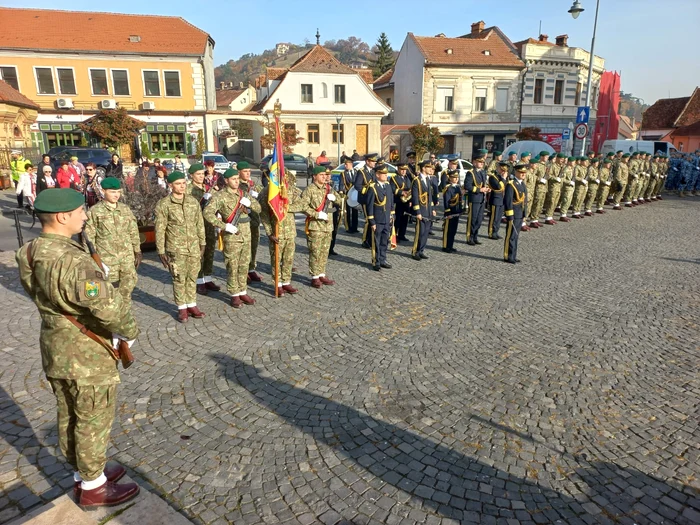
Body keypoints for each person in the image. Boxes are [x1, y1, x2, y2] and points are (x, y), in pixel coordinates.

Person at [16, 188, 140, 508]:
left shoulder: (29, 252)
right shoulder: (73, 260)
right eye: (80, 212)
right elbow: (107, 307)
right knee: (93, 416)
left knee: (69, 411)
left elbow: (45, 297)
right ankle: (93, 486)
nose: (85, 216)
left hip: (54, 345)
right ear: (62, 217)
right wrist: (129, 331)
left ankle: (83, 471)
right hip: (86, 352)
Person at [203, 168, 261, 308]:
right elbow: (207, 213)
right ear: (227, 181)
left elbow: (258, 208)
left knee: (244, 264)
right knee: (232, 265)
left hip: (246, 234)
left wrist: (250, 204)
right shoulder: (220, 196)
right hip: (232, 234)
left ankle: (243, 291)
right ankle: (234, 294)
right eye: (233, 179)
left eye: (237, 178)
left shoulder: (243, 194)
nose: (236, 181)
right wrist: (223, 226)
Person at [155, 171, 206, 323]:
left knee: (192, 277)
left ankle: (192, 305)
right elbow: (160, 228)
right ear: (170, 185)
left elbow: (199, 223)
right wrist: (161, 250)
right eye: (178, 184)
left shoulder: (192, 201)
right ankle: (182, 308)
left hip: (193, 247)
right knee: (179, 278)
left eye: (183, 183)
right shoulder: (164, 204)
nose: (182, 186)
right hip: (176, 248)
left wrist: (202, 243)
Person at [84, 178, 142, 302]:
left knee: (128, 286)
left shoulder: (125, 209)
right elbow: (89, 239)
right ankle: (113, 317)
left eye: (118, 192)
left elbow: (133, 231)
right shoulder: (95, 211)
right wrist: (91, 260)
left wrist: (137, 250)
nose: (116, 195)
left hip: (126, 257)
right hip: (107, 259)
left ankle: (125, 313)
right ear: (103, 191)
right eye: (112, 192)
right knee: (109, 291)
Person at [259, 170, 305, 296]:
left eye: (284, 176)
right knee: (276, 258)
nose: (282, 178)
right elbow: (263, 213)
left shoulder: (291, 189)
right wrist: (269, 232)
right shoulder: (268, 191)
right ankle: (277, 284)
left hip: (290, 231)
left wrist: (286, 208)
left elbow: (303, 203)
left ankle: (286, 282)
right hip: (276, 231)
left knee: (288, 259)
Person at [300, 166, 341, 287]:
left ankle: (322, 274)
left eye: (325, 175)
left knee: (324, 252)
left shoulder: (328, 188)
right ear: (315, 176)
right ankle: (314, 276)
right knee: (315, 252)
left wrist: (335, 198)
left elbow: (339, 200)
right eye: (322, 175)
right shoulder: (309, 190)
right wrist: (316, 214)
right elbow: (303, 207)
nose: (325, 177)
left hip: (328, 226)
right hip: (315, 226)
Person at [186, 163, 220, 295]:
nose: (201, 176)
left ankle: (208, 278)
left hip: (209, 224)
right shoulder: (188, 190)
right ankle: (199, 281)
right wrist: (201, 201)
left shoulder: (208, 188)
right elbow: (188, 210)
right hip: (196, 226)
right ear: (191, 175)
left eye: (202, 174)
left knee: (210, 251)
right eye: (198, 174)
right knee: (199, 253)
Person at [236, 161, 264, 282]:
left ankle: (251, 269)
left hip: (254, 220)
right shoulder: (237, 185)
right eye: (245, 171)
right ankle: (242, 271)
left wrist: (259, 195)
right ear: (239, 172)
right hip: (241, 222)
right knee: (242, 248)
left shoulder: (253, 184)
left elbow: (264, 196)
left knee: (254, 246)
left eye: (249, 171)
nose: (248, 174)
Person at [365, 165, 395, 271]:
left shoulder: (388, 185)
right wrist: (372, 221)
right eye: (383, 174)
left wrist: (392, 214)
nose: (386, 175)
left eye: (386, 174)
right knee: (376, 242)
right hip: (377, 220)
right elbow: (369, 206)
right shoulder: (372, 187)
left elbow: (391, 201)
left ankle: (383, 259)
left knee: (384, 241)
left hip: (387, 219)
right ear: (377, 175)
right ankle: (376, 261)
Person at [411, 161, 436, 260]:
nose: (431, 169)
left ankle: (421, 250)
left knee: (425, 232)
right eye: (429, 167)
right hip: (421, 210)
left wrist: (433, 209)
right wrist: (417, 212)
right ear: (423, 168)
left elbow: (430, 197)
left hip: (428, 210)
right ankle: (415, 251)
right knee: (420, 232)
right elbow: (415, 197)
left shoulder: (428, 179)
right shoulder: (417, 180)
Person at [503, 164, 528, 264]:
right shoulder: (511, 184)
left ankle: (513, 255)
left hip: (520, 213)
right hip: (513, 213)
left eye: (524, 173)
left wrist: (524, 213)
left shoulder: (522, 184)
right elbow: (508, 200)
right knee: (511, 235)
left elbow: (524, 200)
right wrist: (509, 215)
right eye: (521, 173)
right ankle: (507, 255)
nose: (523, 174)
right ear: (516, 172)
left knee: (516, 236)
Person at [465, 153, 490, 245]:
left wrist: (487, 188)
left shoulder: (483, 172)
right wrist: (480, 190)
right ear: (474, 162)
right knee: (473, 219)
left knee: (479, 220)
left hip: (482, 199)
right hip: (474, 198)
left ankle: (475, 236)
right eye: (479, 162)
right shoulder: (470, 173)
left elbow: (484, 183)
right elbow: (467, 186)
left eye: (482, 162)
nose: (481, 164)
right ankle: (469, 237)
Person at [354, 153, 378, 248]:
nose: (374, 163)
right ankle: (365, 240)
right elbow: (357, 186)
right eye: (372, 161)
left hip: (373, 199)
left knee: (373, 219)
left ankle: (371, 238)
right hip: (365, 199)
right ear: (367, 161)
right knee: (368, 220)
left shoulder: (373, 172)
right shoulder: (362, 172)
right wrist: (368, 189)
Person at [527, 151, 551, 228]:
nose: (547, 158)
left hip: (544, 188)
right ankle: (532, 220)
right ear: (541, 157)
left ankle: (536, 219)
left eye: (547, 157)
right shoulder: (537, 165)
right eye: (546, 156)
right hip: (538, 188)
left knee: (540, 205)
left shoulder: (545, 165)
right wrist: (540, 179)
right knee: (536, 204)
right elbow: (533, 175)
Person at [442, 170, 463, 252]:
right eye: (454, 178)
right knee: (448, 230)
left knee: (453, 230)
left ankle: (450, 245)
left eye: (457, 178)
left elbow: (460, 200)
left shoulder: (457, 187)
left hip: (456, 212)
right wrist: (448, 212)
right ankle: (445, 246)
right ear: (450, 178)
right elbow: (446, 201)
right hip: (450, 212)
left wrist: (460, 210)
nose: (456, 179)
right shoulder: (448, 188)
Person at [487, 161, 509, 240]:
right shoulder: (493, 177)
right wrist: (503, 179)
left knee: (499, 218)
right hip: (495, 199)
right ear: (498, 169)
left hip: (501, 200)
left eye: (504, 170)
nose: (503, 171)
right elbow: (498, 187)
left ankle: (496, 232)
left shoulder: (502, 177)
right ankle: (491, 232)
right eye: (501, 169)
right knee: (494, 217)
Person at [391, 163, 412, 242]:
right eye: (402, 170)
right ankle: (395, 235)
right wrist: (401, 192)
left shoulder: (407, 178)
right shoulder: (394, 178)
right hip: (398, 201)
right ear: (398, 170)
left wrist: (410, 200)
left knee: (405, 219)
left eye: (405, 170)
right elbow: (392, 189)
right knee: (397, 219)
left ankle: (402, 234)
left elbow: (410, 188)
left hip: (406, 201)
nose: (403, 172)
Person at [543, 153, 566, 225]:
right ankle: (547, 217)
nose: (562, 160)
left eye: (563, 159)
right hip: (552, 187)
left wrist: (561, 179)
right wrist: (556, 178)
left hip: (559, 187)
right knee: (551, 202)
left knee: (555, 202)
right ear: (557, 158)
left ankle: (550, 216)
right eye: (561, 159)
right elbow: (548, 176)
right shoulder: (552, 166)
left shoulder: (561, 167)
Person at [341, 157, 358, 233]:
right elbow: (341, 183)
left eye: (346, 164)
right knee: (347, 211)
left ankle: (355, 227)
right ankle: (348, 227)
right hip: (347, 194)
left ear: (351, 164)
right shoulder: (343, 174)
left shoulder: (356, 172)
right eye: (345, 164)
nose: (345, 166)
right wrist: (341, 191)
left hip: (355, 194)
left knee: (355, 211)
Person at [557, 156, 576, 222]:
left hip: (571, 188)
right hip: (567, 188)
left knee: (568, 201)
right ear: (570, 162)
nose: (574, 163)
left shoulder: (572, 169)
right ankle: (562, 215)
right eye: (573, 162)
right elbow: (562, 179)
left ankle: (565, 214)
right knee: (566, 201)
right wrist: (569, 182)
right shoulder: (566, 169)